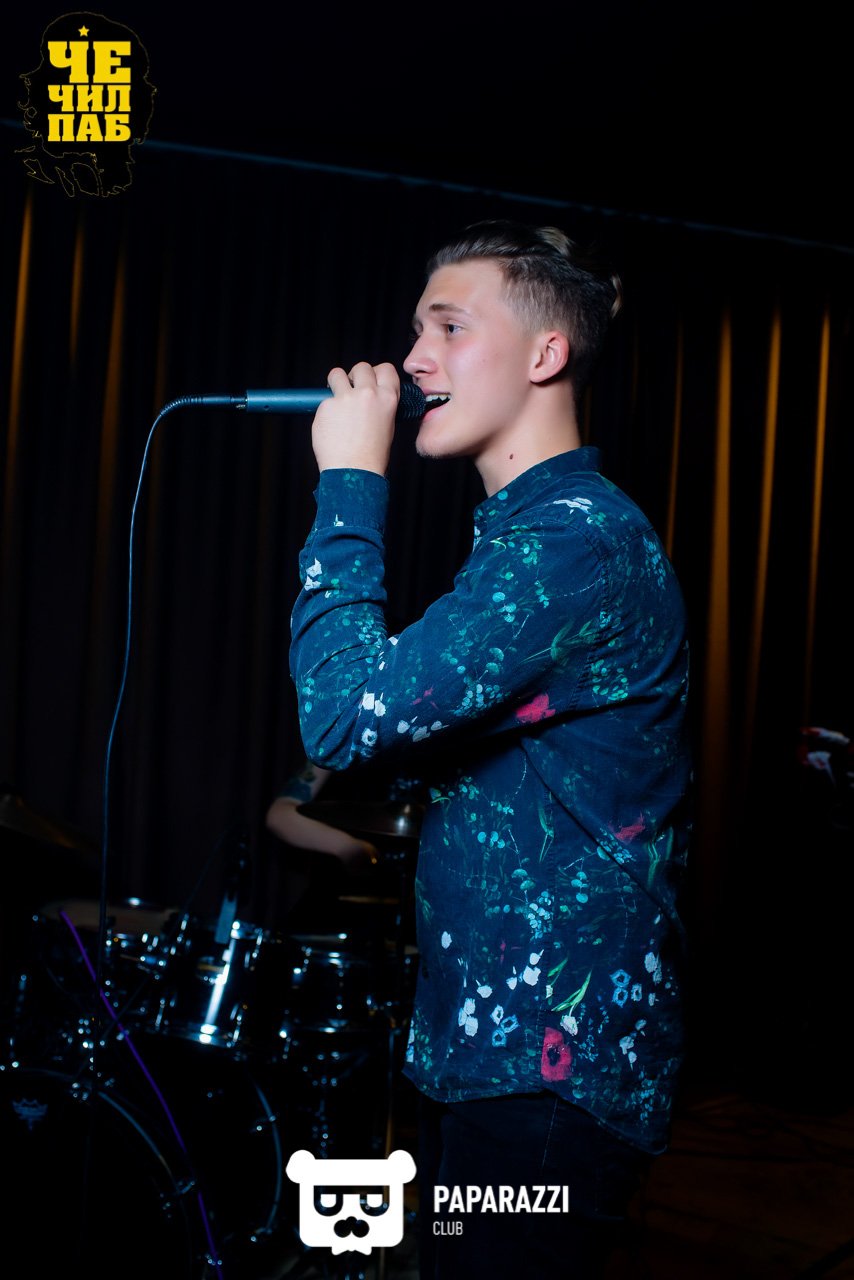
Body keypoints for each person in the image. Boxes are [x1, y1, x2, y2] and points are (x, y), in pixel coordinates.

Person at [288, 219, 692, 1277]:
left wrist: (349, 481)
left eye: (449, 327)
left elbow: (344, 716)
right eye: (417, 329)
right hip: (494, 1061)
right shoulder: (527, 540)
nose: (413, 359)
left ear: (545, 353)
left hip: (545, 1075)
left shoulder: (574, 540)